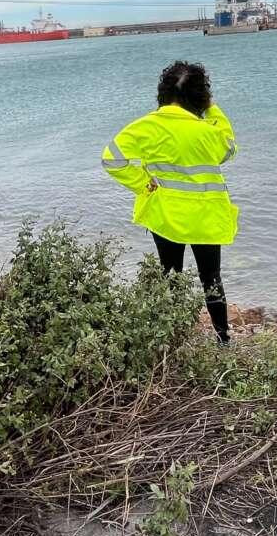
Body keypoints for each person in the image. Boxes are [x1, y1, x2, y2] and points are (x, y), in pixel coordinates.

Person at [101, 61, 238, 344]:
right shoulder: (209, 132)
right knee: (211, 278)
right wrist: (212, 107)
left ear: (162, 93)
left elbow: (111, 159)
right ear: (200, 96)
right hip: (206, 218)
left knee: (170, 276)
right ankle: (224, 340)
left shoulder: (145, 127)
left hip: (164, 215)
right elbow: (229, 149)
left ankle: (171, 338)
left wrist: (142, 183)